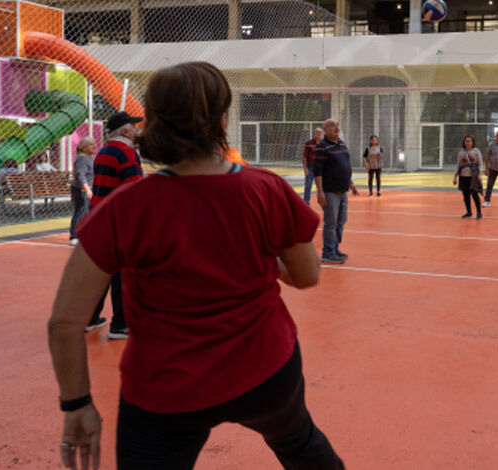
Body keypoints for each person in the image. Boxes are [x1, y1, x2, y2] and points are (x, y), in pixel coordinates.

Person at [48, 61, 344, 470]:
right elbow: (307, 275)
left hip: (166, 389)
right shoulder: (266, 189)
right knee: (300, 443)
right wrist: (258, 253)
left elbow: (64, 322)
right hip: (266, 369)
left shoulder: (126, 208)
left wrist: (77, 404)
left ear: (154, 123)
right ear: (222, 119)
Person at [85, 110, 144, 339]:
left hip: (99, 216)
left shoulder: (102, 152)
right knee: (122, 273)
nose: (137, 130)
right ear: (126, 131)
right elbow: (133, 190)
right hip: (119, 220)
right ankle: (120, 324)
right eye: (134, 127)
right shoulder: (127, 153)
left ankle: (90, 317)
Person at [314, 118, 359, 264]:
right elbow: (318, 171)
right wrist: (320, 192)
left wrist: (351, 184)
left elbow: (345, 166)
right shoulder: (322, 147)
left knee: (341, 221)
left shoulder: (341, 144)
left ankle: (335, 248)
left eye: (337, 125)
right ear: (326, 130)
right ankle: (328, 253)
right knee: (331, 222)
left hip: (343, 190)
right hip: (330, 192)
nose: (336, 128)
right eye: (332, 126)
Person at [68, 137, 96, 247]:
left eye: (94, 143)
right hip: (81, 189)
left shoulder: (92, 158)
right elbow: (80, 175)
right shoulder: (82, 158)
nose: (94, 146)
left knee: (88, 212)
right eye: (90, 144)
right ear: (83, 147)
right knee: (81, 211)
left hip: (89, 188)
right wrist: (87, 189)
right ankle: (74, 236)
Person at [452, 135, 484, 219]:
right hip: (463, 176)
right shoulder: (461, 153)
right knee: (466, 195)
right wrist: (455, 177)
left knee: (474, 194)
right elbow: (458, 165)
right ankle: (469, 212)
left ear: (472, 142)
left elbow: (480, 164)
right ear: (464, 142)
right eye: (466, 141)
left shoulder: (476, 151)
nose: (468, 143)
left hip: (473, 176)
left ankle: (479, 213)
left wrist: (480, 175)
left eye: (470, 141)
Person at [302, 128, 322, 204]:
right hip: (310, 167)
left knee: (321, 187)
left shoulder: (324, 144)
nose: (319, 134)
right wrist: (305, 168)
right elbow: (304, 156)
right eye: (317, 132)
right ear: (314, 133)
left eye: (320, 132)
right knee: (308, 185)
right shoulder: (308, 143)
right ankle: (306, 202)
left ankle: (323, 203)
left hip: (320, 169)